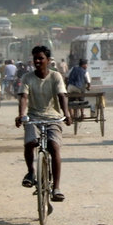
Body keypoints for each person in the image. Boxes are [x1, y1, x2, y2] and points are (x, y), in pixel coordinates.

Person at [15, 45, 72, 202]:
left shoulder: (55, 76)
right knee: (30, 142)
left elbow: (62, 95)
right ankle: (31, 172)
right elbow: (24, 97)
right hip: (34, 117)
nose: (38, 61)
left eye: (41, 58)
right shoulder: (27, 77)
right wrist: (21, 115)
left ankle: (56, 188)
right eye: (35, 58)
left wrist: (66, 114)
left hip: (53, 118)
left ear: (48, 60)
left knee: (54, 147)